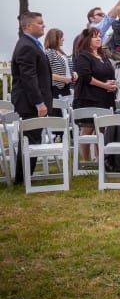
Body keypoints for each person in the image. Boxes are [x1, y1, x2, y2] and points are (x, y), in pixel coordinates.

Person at [10, 12, 53, 184]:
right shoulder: (26, 46)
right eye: (40, 23)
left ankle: (26, 176)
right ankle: (23, 179)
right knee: (30, 139)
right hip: (30, 102)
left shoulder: (33, 44)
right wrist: (39, 102)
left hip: (33, 101)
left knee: (32, 137)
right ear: (28, 26)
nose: (44, 25)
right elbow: (29, 77)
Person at [73, 27, 118, 165]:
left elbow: (108, 73)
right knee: (88, 128)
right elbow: (86, 77)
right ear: (87, 39)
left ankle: (100, 159)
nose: (99, 39)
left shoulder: (103, 55)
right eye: (95, 37)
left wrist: (112, 83)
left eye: (100, 36)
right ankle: (85, 161)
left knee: (103, 129)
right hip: (89, 98)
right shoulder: (83, 56)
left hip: (106, 98)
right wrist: (104, 85)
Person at [44, 28, 73, 100]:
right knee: (58, 110)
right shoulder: (49, 52)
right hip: (56, 89)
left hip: (66, 87)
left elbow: (67, 68)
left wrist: (73, 74)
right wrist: (64, 79)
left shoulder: (62, 52)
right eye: (61, 37)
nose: (63, 39)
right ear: (54, 39)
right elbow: (46, 73)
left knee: (66, 110)